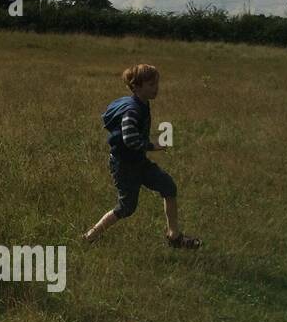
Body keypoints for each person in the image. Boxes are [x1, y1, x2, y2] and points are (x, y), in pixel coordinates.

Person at [83, 63, 200, 248]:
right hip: (124, 166)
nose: (156, 89)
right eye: (151, 85)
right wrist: (153, 145)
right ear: (137, 87)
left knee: (168, 186)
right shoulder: (133, 110)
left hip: (139, 162)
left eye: (157, 84)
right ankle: (91, 235)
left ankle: (174, 236)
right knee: (126, 207)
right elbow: (130, 139)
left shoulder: (143, 104)